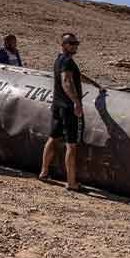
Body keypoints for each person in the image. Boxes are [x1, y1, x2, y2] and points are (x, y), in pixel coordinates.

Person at [39, 32, 102, 191]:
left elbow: (77, 76)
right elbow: (67, 81)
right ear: (64, 44)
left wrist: (96, 85)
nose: (75, 46)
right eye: (72, 43)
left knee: (53, 138)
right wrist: (76, 102)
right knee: (71, 145)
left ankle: (44, 172)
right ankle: (72, 182)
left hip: (57, 106)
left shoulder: (60, 60)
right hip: (68, 108)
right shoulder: (66, 61)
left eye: (76, 43)